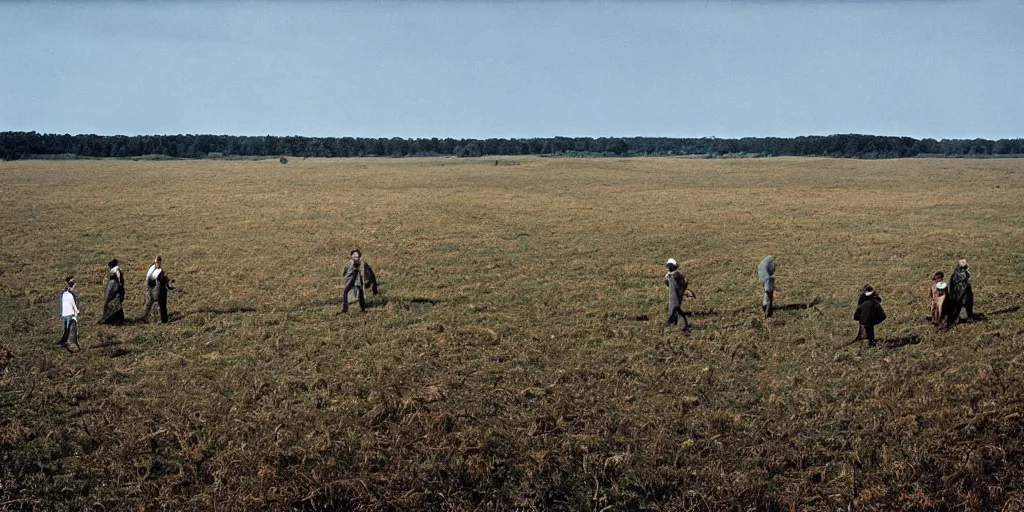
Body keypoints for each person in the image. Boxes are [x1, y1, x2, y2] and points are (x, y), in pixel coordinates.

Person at [342, 249, 378, 313]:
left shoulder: (362, 264)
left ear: (359, 256)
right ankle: (345, 309)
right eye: (353, 255)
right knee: (345, 292)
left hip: (359, 281)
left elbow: (371, 273)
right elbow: (344, 272)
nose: (355, 256)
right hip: (350, 280)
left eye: (356, 255)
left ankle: (363, 309)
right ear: (351, 256)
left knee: (361, 293)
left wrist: (374, 287)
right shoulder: (348, 264)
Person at [664, 258, 696, 331]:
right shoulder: (675, 274)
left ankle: (674, 323)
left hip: (674, 293)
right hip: (677, 292)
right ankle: (677, 323)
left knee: (673, 307)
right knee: (675, 307)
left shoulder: (672, 274)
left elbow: (667, 283)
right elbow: (684, 283)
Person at [100, 259, 125, 325]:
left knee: (112, 302)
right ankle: (115, 320)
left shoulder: (116, 270)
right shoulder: (116, 270)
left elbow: (119, 279)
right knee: (114, 303)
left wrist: (119, 285)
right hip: (113, 288)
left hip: (114, 288)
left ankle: (114, 320)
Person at [58, 277, 81, 351]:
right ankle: (70, 343)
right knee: (70, 328)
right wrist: (76, 311)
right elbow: (73, 303)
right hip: (70, 313)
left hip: (65, 313)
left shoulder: (64, 292)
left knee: (66, 327)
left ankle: (64, 341)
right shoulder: (70, 293)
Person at [152, 258, 174, 323]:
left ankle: (164, 320)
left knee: (163, 305)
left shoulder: (161, 271)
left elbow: (164, 280)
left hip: (163, 290)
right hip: (159, 290)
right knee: (161, 305)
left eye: (159, 262)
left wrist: (169, 283)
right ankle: (163, 320)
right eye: (157, 263)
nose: (158, 264)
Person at [141, 256, 162, 323]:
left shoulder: (157, 268)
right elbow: (148, 279)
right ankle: (144, 317)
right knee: (149, 301)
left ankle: (149, 317)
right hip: (149, 285)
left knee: (153, 301)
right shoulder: (153, 268)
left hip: (152, 286)